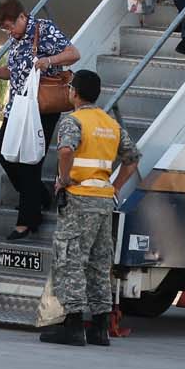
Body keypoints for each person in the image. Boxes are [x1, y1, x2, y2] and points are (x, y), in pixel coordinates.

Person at [38, 69, 141, 347]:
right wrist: (115, 186)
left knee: (71, 258)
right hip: (103, 200)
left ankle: (72, 325)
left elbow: (66, 151)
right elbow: (132, 160)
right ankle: (100, 327)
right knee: (98, 262)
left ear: (74, 92)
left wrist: (64, 178)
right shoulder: (110, 124)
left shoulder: (74, 121)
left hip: (79, 197)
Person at [0, 0, 80, 239]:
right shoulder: (15, 39)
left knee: (30, 162)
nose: (9, 32)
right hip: (18, 107)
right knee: (3, 151)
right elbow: (14, 72)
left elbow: (73, 54)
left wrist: (48, 61)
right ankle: (37, 196)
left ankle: (27, 221)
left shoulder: (44, 30)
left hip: (41, 107)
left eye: (10, 26)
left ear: (23, 17)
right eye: (5, 29)